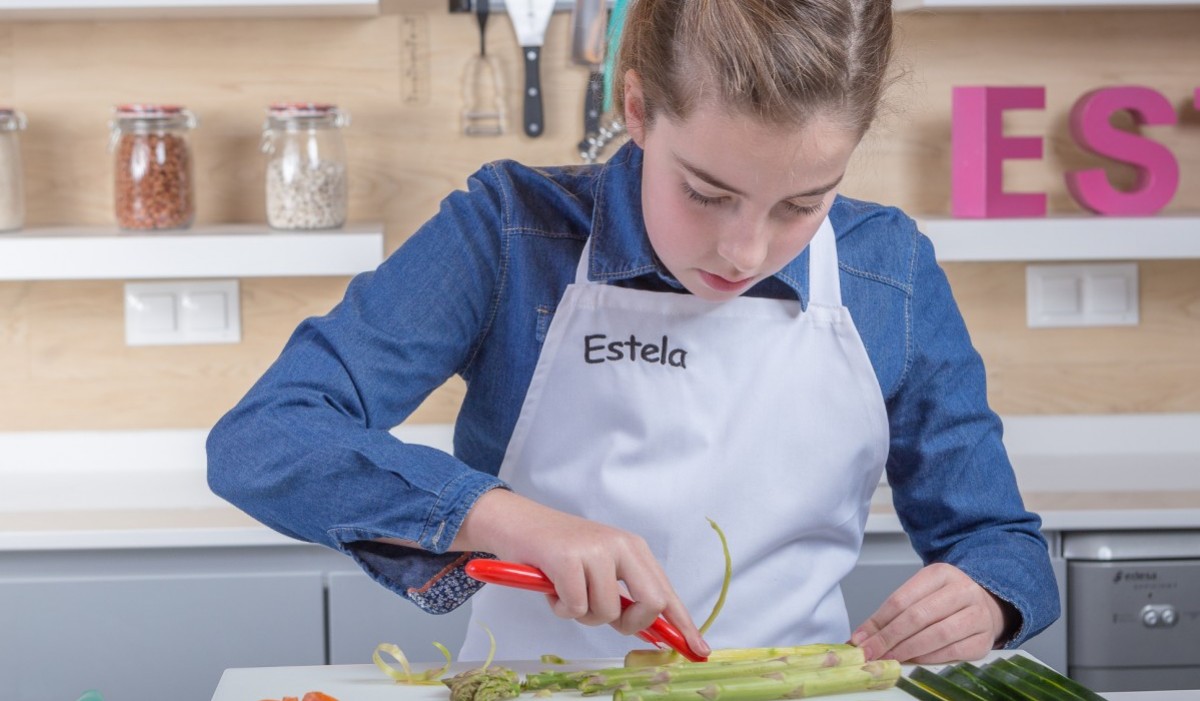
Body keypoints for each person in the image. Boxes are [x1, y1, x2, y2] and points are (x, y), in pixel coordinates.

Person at [207, 0, 1059, 665]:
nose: (746, 250)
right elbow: (263, 438)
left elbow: (1000, 542)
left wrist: (986, 597)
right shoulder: (511, 235)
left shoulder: (890, 272)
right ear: (639, 106)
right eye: (707, 191)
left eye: (803, 203)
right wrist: (507, 519)